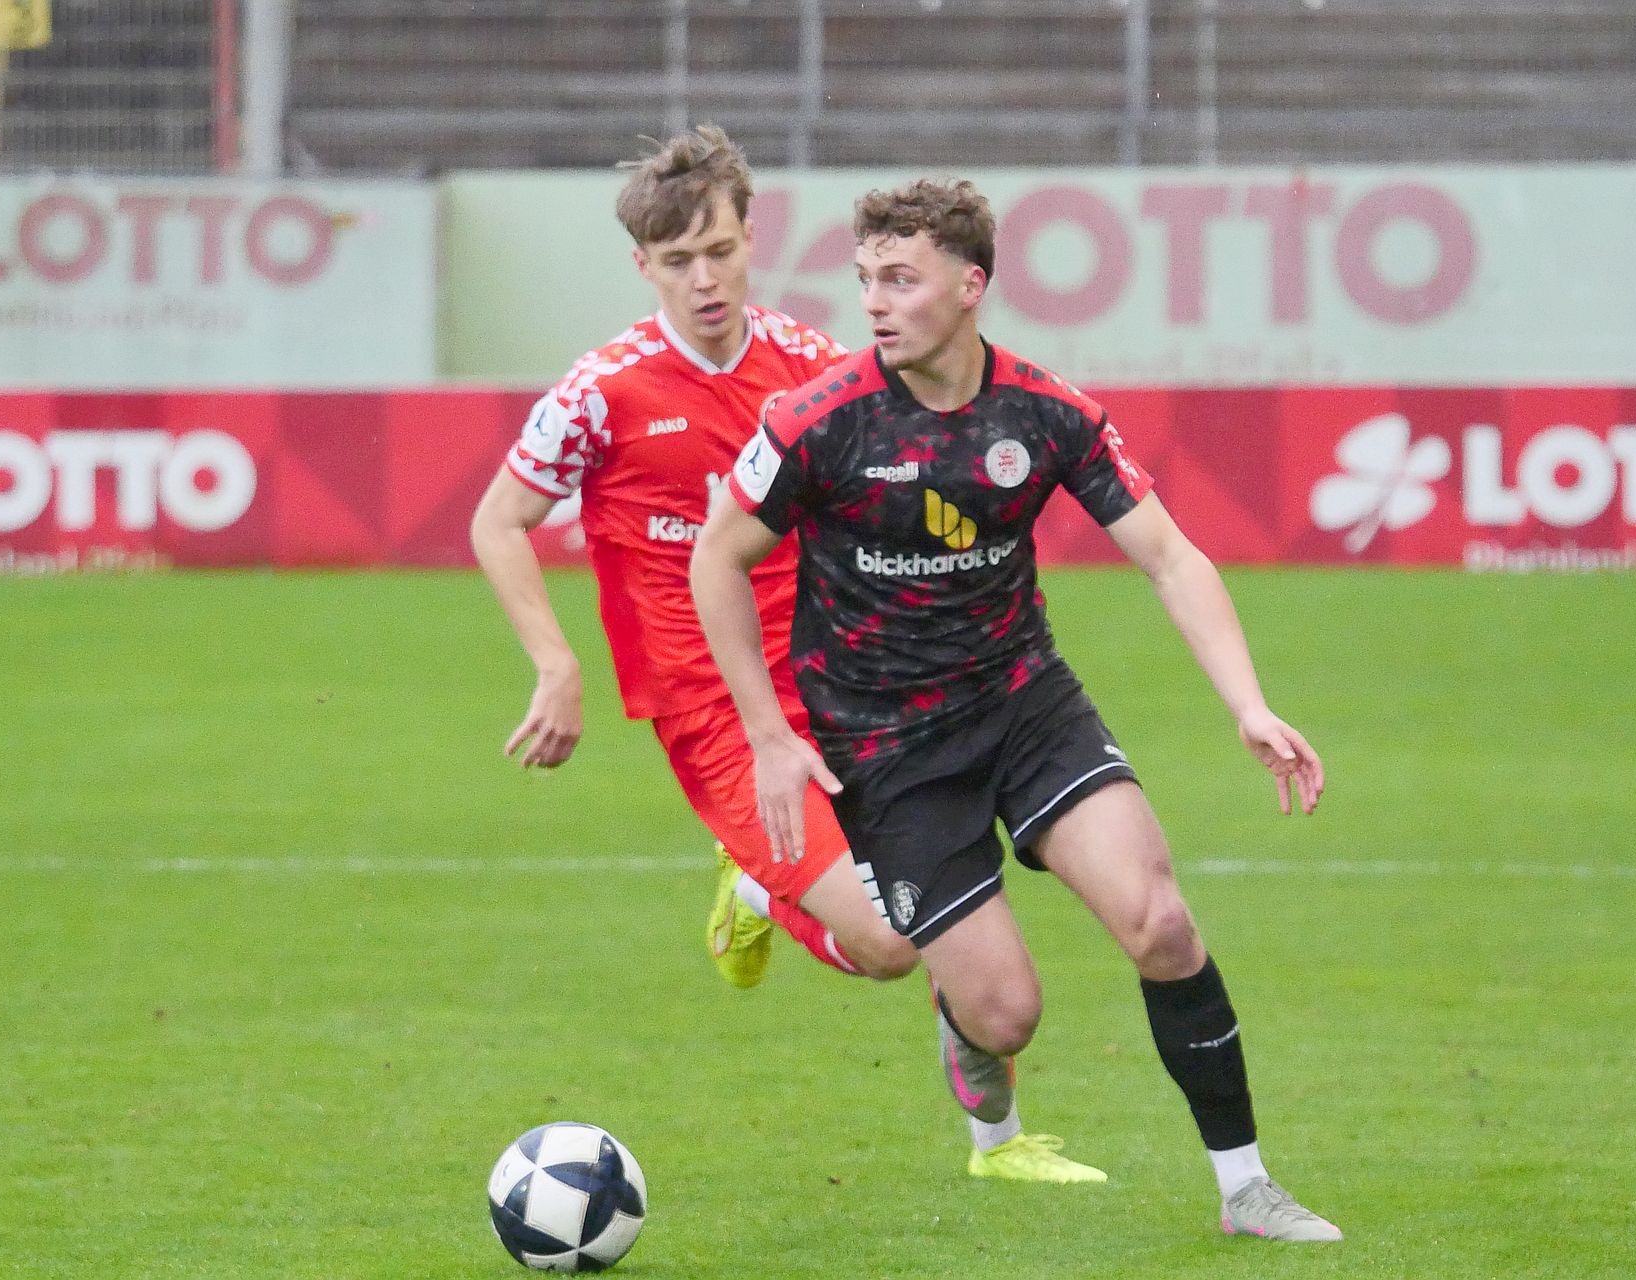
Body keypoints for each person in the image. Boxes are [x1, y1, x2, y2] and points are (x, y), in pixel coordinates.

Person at [692, 176, 1342, 1241]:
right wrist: (770, 736)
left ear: (970, 284)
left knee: (1160, 921)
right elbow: (716, 559)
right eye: (865, 279)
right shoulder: (817, 420)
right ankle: (967, 1044)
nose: (875, 302)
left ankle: (1247, 1188)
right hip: (888, 748)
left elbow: (1171, 557)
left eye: (901, 279)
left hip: (1025, 706)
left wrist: (1249, 705)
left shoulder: (1044, 412)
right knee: (1007, 1015)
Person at [470, 127, 1102, 1182]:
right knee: (888, 942)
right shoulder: (601, 392)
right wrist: (556, 663)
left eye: (720, 250)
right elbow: (499, 520)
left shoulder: (809, 365)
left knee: (947, 906)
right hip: (714, 709)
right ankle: (756, 890)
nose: (705, 279)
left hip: (845, 685)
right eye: (678, 261)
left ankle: (999, 1145)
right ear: (642, 265)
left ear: (751, 238)